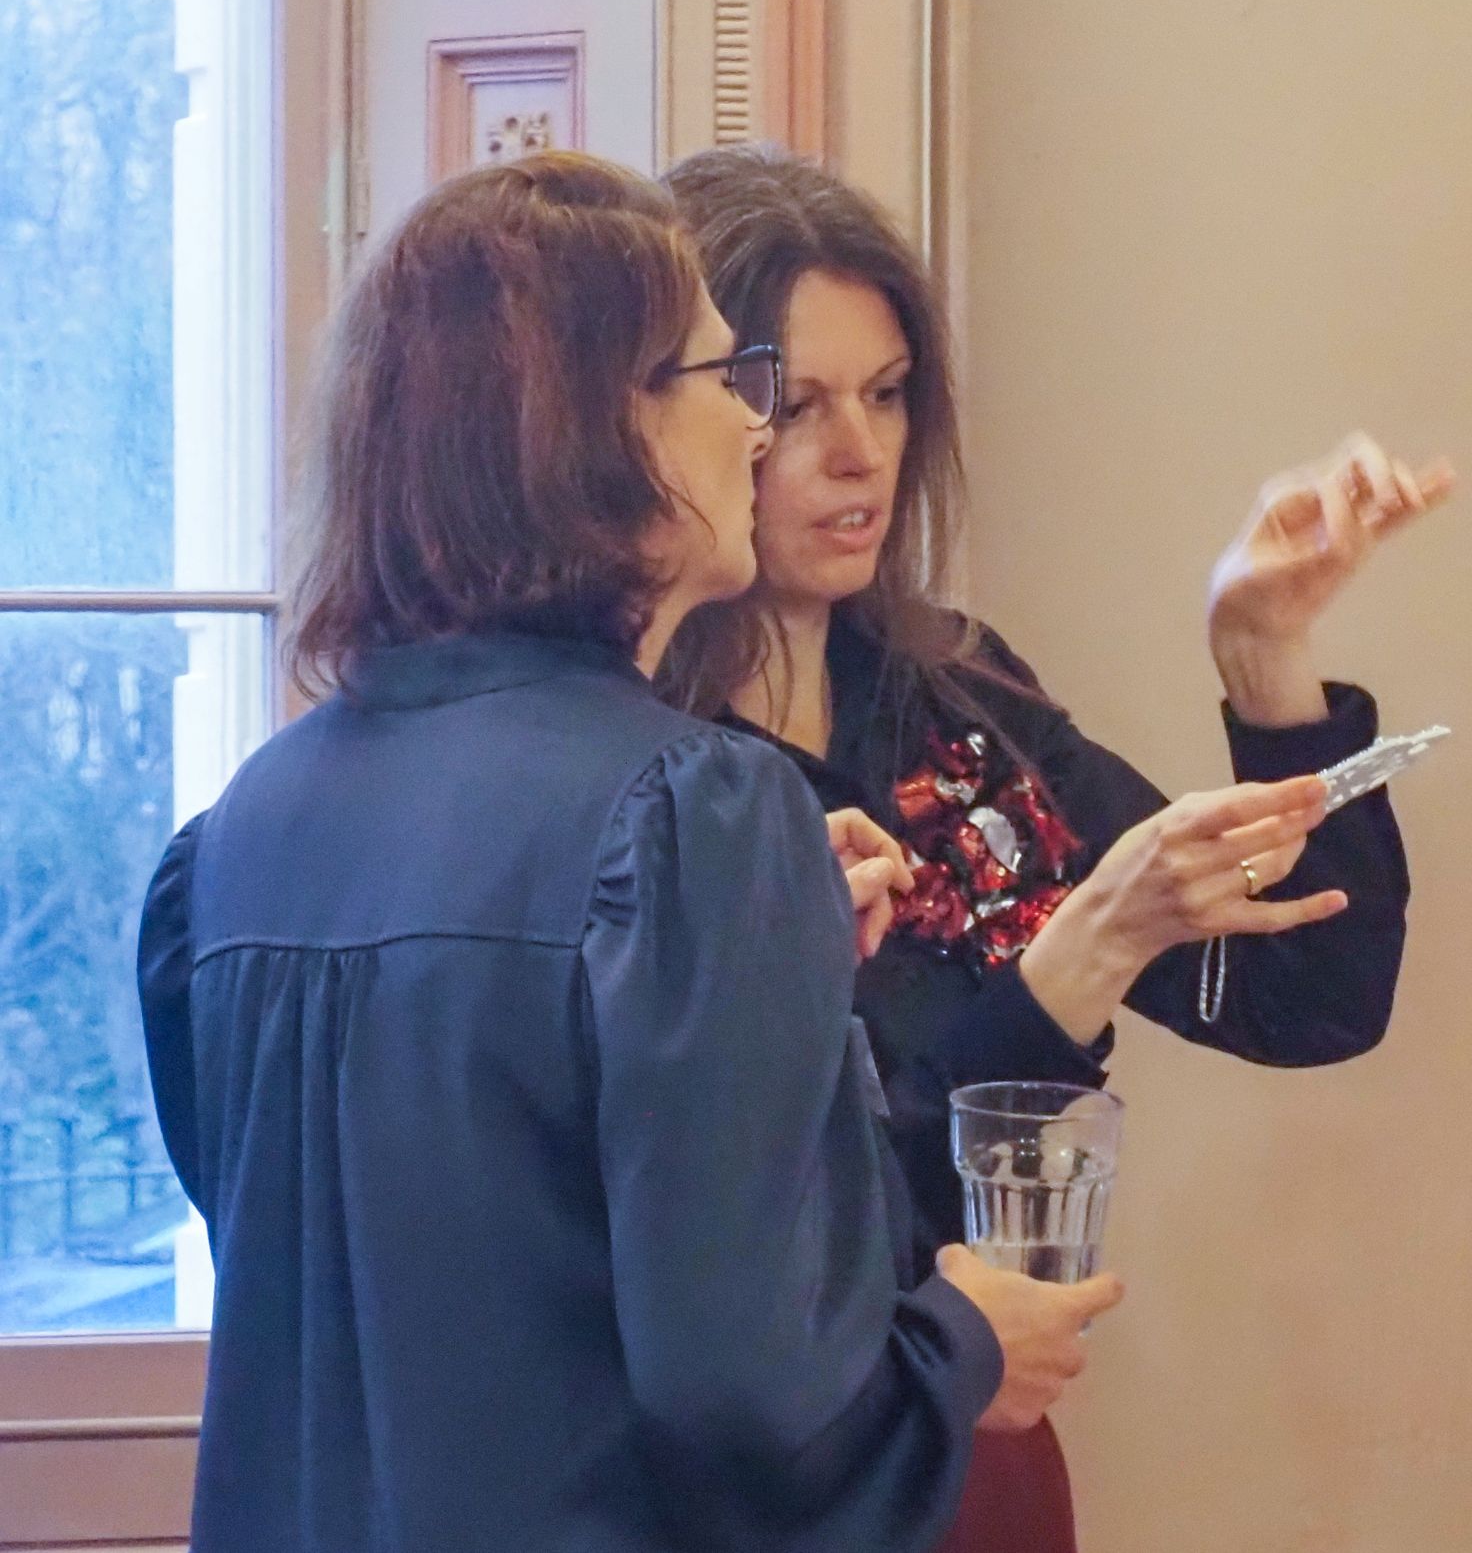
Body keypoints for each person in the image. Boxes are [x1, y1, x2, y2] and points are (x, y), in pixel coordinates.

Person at [136, 153, 1121, 1553]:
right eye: (728, 380)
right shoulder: (689, 817)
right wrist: (966, 1338)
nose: (758, 428)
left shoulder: (238, 839)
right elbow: (757, 1413)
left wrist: (754, 970)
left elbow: (408, 1301)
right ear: (599, 433)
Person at [660, 144, 1455, 1553]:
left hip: (988, 1466)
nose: (861, 454)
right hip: (771, 1493)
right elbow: (808, 1212)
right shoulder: (652, 786)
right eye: (795, 405)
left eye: (890, 394)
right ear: (690, 419)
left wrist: (1266, 664)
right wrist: (1078, 961)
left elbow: (1314, 999)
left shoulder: (957, 702)